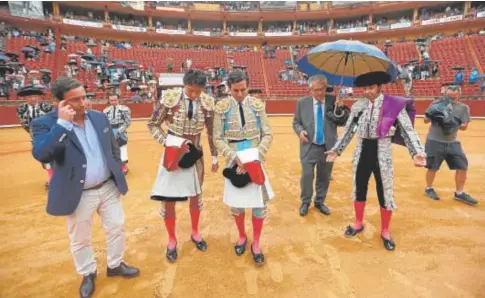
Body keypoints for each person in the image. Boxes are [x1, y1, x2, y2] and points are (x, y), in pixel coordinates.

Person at [30, 77, 139, 298]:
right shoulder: (45, 123)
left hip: (107, 187)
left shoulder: (99, 118)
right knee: (80, 238)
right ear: (60, 103)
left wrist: (116, 172)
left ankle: (115, 264)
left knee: (116, 227)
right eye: (75, 100)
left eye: (84, 97)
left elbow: (113, 149)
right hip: (77, 193)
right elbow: (42, 153)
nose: (84, 103)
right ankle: (88, 272)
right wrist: (62, 124)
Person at [326, 71, 426, 251]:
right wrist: (336, 150)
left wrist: (416, 152)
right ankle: (358, 223)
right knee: (359, 187)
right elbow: (348, 131)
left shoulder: (393, 105)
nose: (367, 92)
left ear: (380, 87)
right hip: (362, 150)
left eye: (371, 88)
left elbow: (407, 130)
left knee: (385, 190)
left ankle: (385, 231)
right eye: (364, 89)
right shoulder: (358, 106)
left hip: (383, 151)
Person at [148, 69, 219, 262]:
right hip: (173, 151)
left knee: (195, 195)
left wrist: (214, 155)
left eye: (198, 91)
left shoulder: (207, 101)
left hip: (195, 152)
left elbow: (212, 131)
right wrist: (167, 143)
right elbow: (153, 124)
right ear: (183, 85)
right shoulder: (170, 97)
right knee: (169, 197)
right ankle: (171, 239)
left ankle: (195, 232)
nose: (194, 95)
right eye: (190, 90)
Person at [213, 69, 274, 265]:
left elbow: (268, 134)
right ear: (229, 88)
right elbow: (217, 138)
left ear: (248, 87)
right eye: (235, 90)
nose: (239, 94)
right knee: (237, 206)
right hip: (233, 160)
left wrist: (256, 157)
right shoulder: (221, 107)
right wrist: (233, 157)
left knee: (258, 205)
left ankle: (256, 243)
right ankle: (242, 236)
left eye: (243, 90)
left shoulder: (257, 105)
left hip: (255, 158)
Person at [292, 74, 339, 217]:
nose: (319, 93)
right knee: (307, 175)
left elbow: (342, 121)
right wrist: (300, 132)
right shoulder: (302, 102)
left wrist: (342, 110)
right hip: (309, 145)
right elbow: (296, 122)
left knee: (324, 176)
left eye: (322, 89)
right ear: (310, 90)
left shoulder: (333, 101)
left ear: (326, 88)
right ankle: (305, 202)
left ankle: (319, 201)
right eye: (316, 90)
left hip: (328, 147)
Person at [423, 83, 477, 205]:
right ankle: (429, 188)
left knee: (462, 166)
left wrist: (453, 124)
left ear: (459, 95)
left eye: (453, 97)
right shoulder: (436, 104)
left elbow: (464, 127)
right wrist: (434, 116)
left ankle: (459, 193)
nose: (450, 99)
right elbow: (425, 120)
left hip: (452, 142)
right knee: (433, 167)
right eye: (448, 96)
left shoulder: (463, 108)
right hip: (434, 141)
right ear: (444, 94)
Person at [16, 85, 54, 188]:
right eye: (30, 97)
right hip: (35, 138)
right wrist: (33, 134)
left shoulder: (46, 107)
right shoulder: (21, 109)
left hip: (49, 135)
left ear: (38, 97)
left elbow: (53, 120)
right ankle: (52, 176)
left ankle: (52, 178)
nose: (33, 98)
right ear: (25, 98)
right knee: (43, 157)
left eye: (35, 96)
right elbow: (24, 124)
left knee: (54, 156)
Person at [103, 94, 131, 175]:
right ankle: (114, 166)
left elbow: (128, 122)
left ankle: (123, 165)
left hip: (121, 130)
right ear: (109, 100)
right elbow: (105, 123)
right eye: (111, 100)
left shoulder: (125, 109)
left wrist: (120, 131)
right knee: (111, 149)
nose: (113, 102)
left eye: (115, 100)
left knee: (122, 147)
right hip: (110, 130)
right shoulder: (106, 110)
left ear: (118, 100)